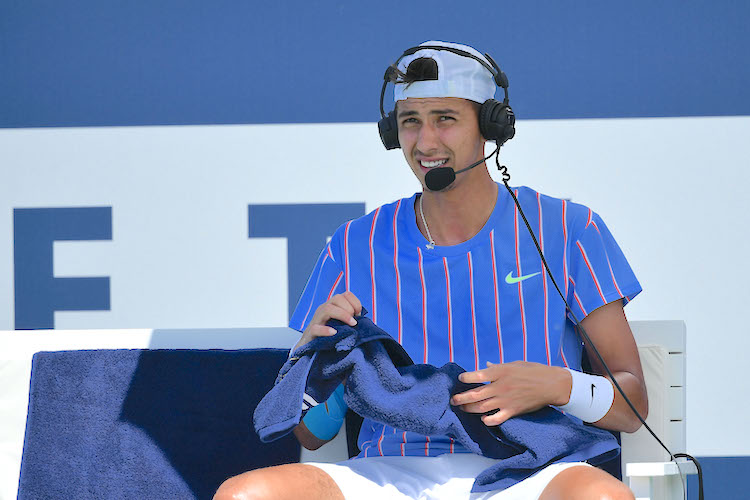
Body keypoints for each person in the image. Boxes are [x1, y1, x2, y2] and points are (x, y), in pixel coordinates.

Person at [215, 41, 647, 500]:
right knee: (247, 496)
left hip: (533, 468)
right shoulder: (353, 244)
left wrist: (557, 385)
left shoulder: (567, 228)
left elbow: (632, 406)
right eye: (410, 122)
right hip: (390, 471)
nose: (425, 142)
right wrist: (312, 357)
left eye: (445, 118)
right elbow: (312, 435)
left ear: (489, 126)